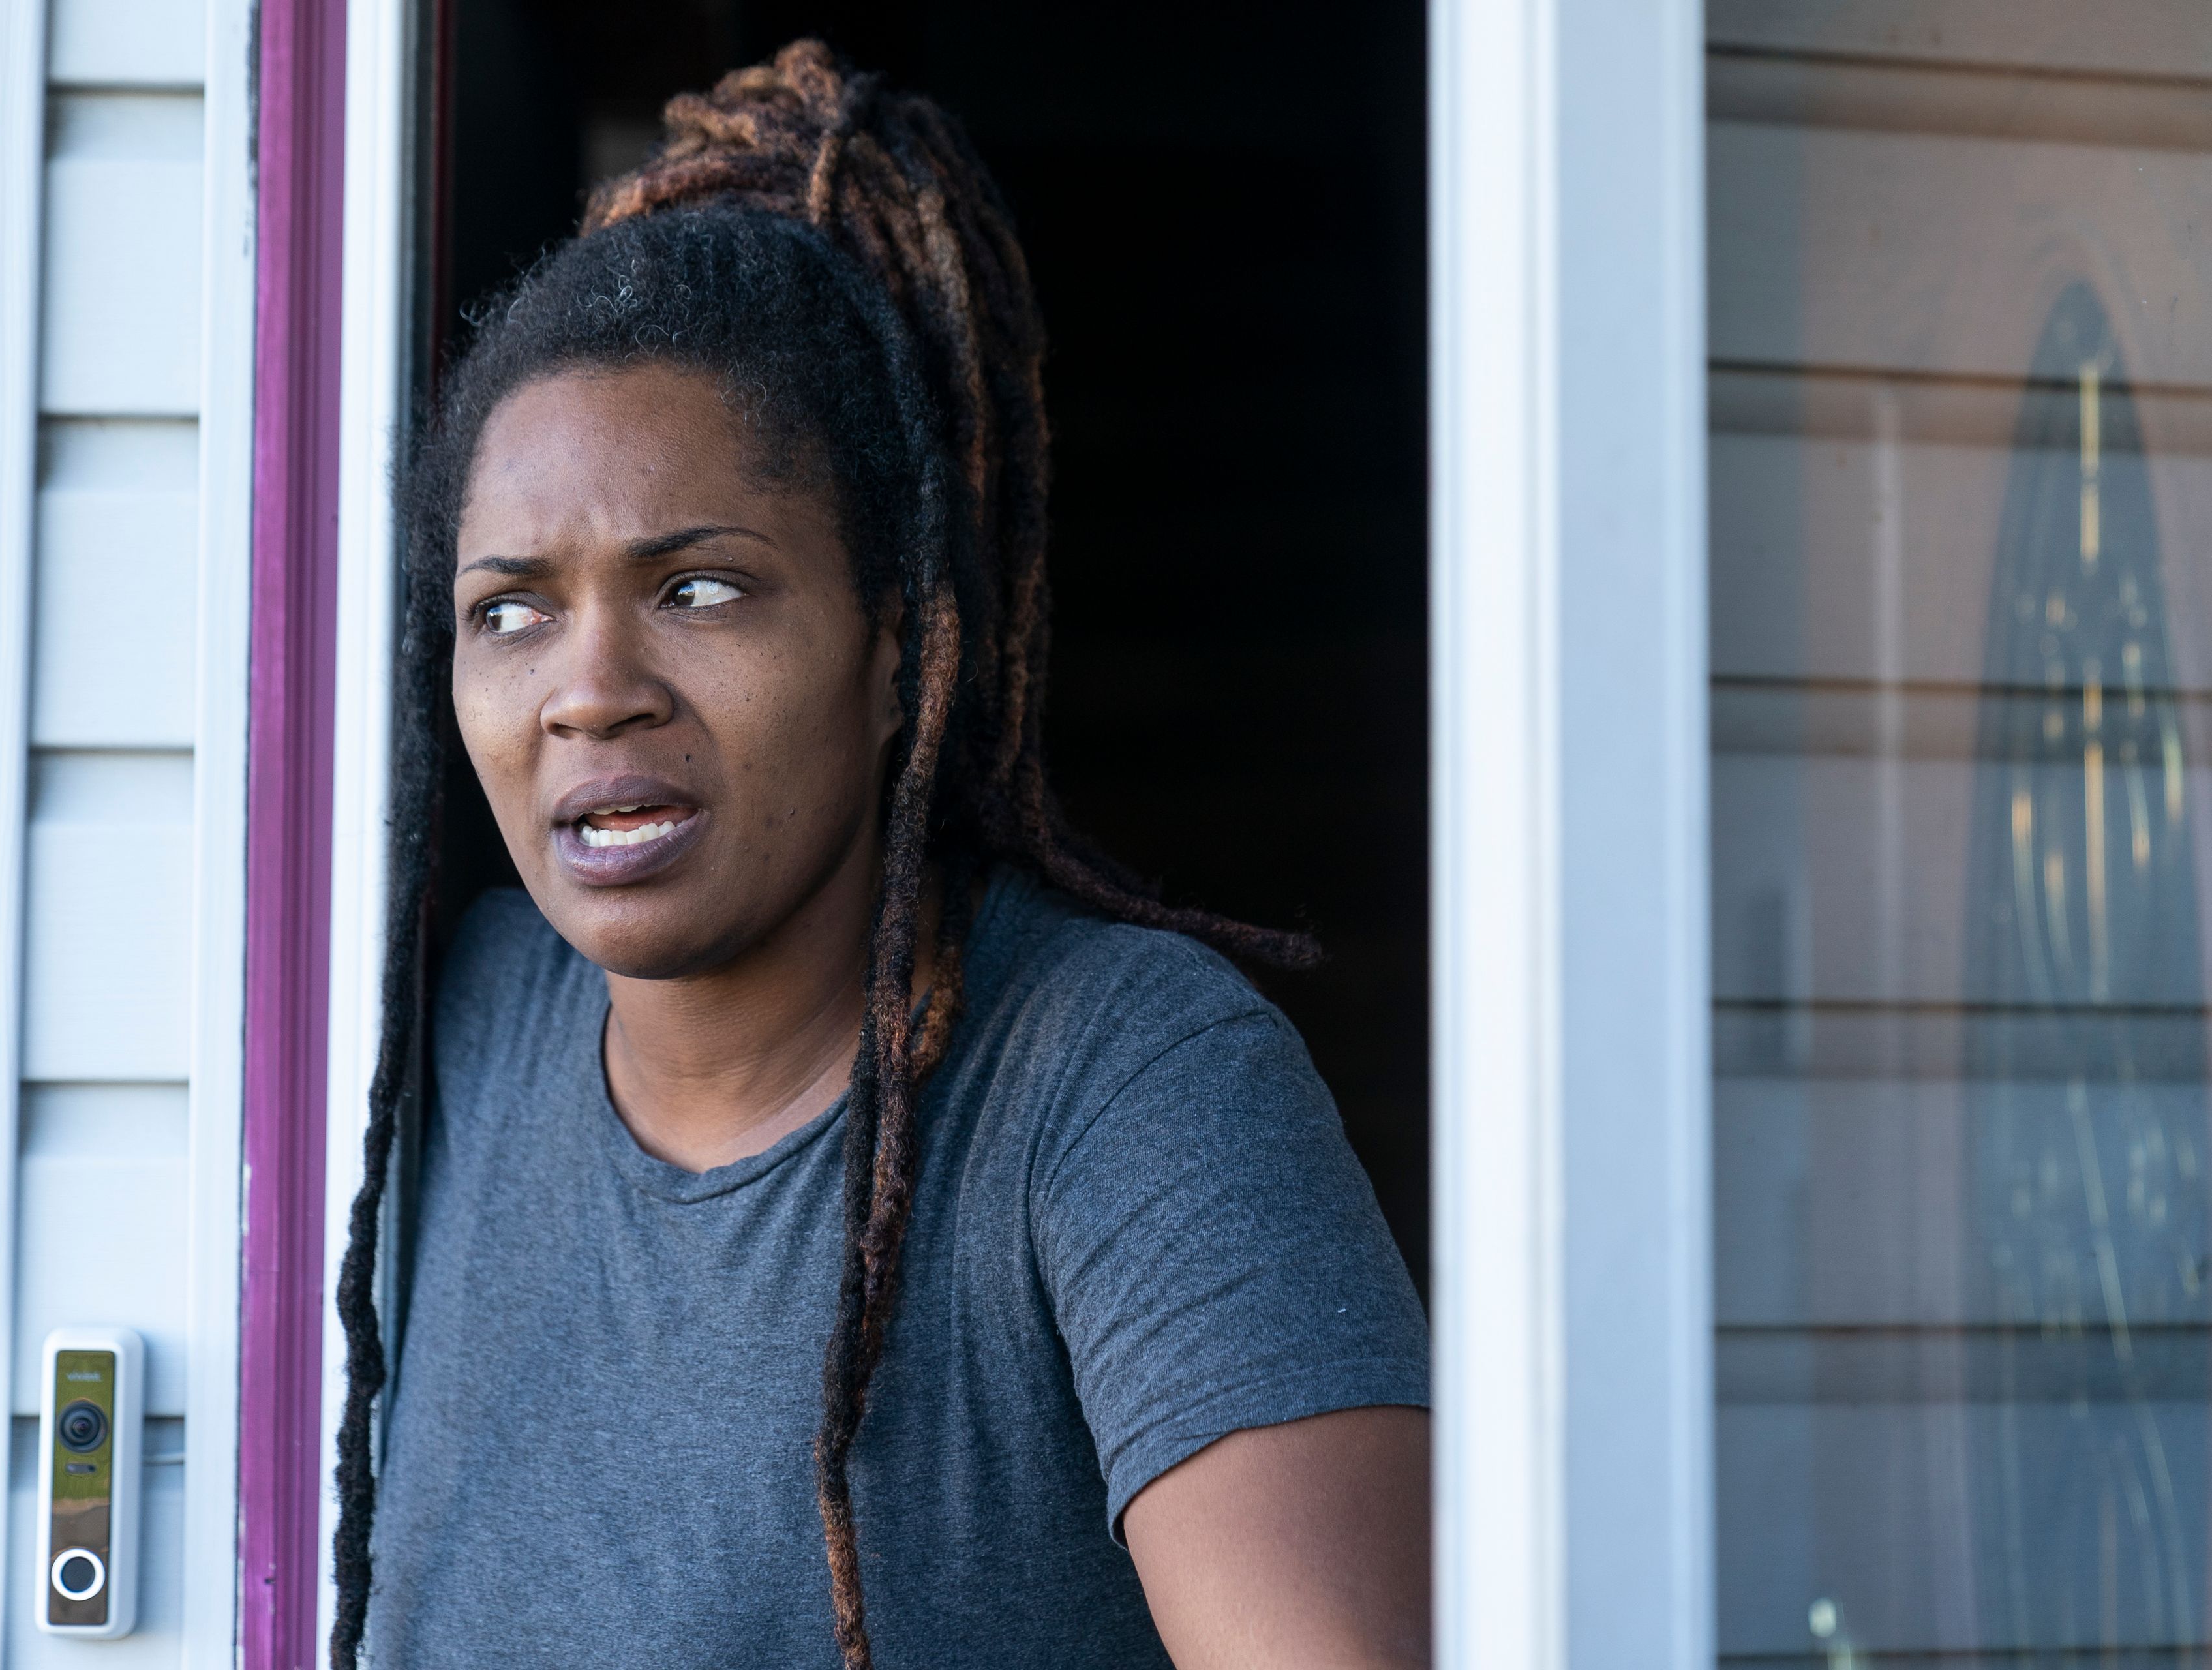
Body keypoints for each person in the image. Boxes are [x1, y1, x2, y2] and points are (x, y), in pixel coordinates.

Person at [330, 41, 1430, 1670]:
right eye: (512, 610)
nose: (589, 689)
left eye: (699, 586)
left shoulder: (1125, 1086)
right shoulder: (456, 1031)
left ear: (903, 651)